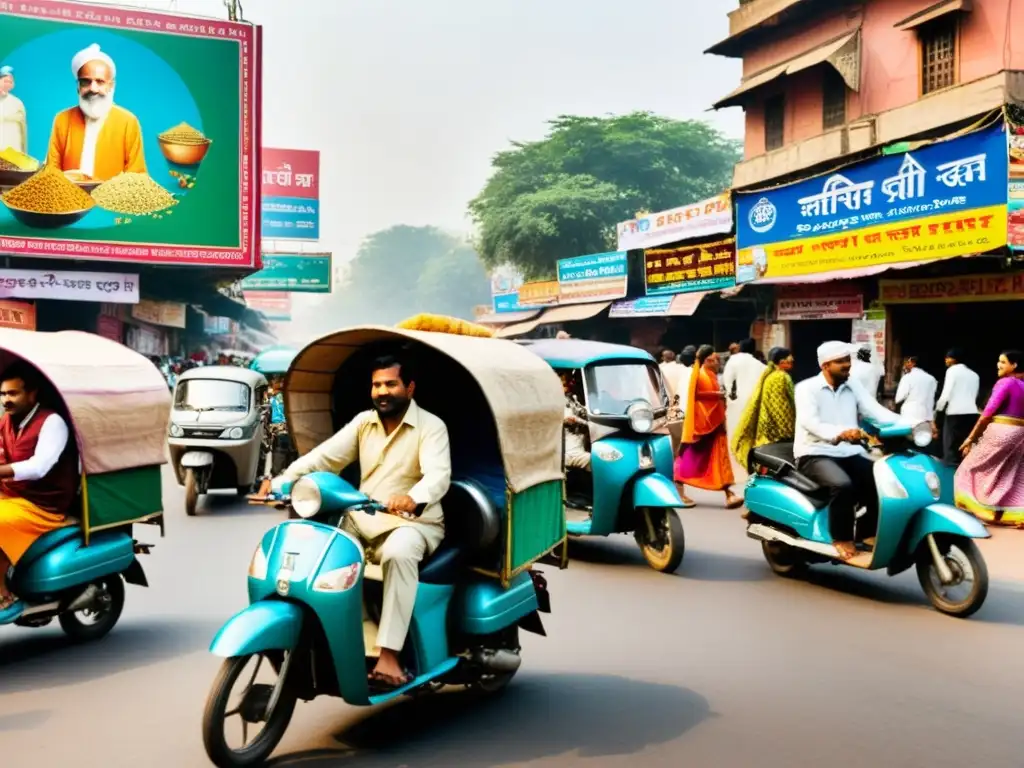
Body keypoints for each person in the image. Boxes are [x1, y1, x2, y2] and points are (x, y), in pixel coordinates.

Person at [272, 354, 451, 688]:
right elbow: (323, 458)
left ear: (409, 388)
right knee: (322, 552)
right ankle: (338, 635)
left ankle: (389, 655)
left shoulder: (431, 427)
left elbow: (438, 475)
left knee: (398, 554)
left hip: (412, 524)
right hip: (363, 518)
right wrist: (284, 479)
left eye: (390, 384)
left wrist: (414, 497)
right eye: (377, 384)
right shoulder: (363, 423)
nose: (382, 391)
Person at [794, 342, 900, 560]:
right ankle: (841, 537)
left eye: (847, 361)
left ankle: (867, 531)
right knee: (842, 485)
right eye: (840, 362)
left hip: (848, 453)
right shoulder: (806, 388)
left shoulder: (852, 384)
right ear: (825, 365)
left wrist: (912, 424)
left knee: (881, 479)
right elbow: (810, 423)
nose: (846, 366)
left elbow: (874, 411)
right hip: (814, 453)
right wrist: (840, 433)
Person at [0, 363, 79, 614]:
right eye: (3, 394)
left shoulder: (52, 422)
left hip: (43, 504)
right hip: (13, 494)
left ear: (32, 393)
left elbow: (39, 466)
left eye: (13, 394)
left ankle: (3, 594)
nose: (6, 400)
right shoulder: (7, 422)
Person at [47, 44, 146, 182]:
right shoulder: (62, 119)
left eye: (100, 81)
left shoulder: (128, 121)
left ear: (111, 86)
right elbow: (52, 170)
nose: (93, 88)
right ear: (78, 87)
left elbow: (136, 175)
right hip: (68, 200)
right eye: (85, 82)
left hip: (110, 201)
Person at [953, 350, 1024, 526]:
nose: (998, 365)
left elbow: (987, 414)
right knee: (1009, 476)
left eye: (1003, 362)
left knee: (968, 469)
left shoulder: (1005, 383)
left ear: (1014, 365)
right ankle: (1014, 515)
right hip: (1020, 435)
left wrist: (970, 438)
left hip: (1001, 432)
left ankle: (976, 511)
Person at [675, 344, 742, 509]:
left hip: (715, 420)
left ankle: (729, 493)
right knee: (692, 457)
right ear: (705, 360)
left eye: (716, 359)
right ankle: (678, 486)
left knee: (720, 458)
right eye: (713, 360)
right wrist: (717, 395)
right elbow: (695, 395)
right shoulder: (697, 374)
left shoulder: (711, 374)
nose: (716, 363)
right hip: (702, 422)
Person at [731, 346, 797, 469]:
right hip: (779, 433)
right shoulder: (781, 377)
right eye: (789, 357)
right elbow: (782, 409)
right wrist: (790, 433)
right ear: (782, 361)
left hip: (768, 429)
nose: (792, 359)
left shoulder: (770, 376)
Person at [935, 348, 980, 466]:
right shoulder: (974, 375)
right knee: (965, 448)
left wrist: (937, 414)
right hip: (972, 414)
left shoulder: (952, 371)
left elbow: (945, 395)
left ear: (954, 359)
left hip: (955, 414)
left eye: (948, 357)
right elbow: (974, 396)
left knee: (950, 451)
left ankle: (951, 480)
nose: (945, 360)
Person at [560, 371, 590, 471]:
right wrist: (588, 424)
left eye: (569, 382)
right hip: (569, 453)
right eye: (564, 384)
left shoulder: (573, 399)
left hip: (579, 447)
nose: (568, 385)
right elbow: (569, 418)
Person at [895, 356, 938, 425]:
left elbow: (898, 398)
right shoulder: (932, 379)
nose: (906, 364)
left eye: (908, 362)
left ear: (913, 363)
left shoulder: (907, 377)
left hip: (909, 413)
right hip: (925, 414)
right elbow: (931, 399)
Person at [0, 65, 27, 154]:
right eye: (5, 80)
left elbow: (23, 129)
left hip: (14, 154)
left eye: (10, 81)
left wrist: (23, 152)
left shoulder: (17, 103)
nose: (7, 83)